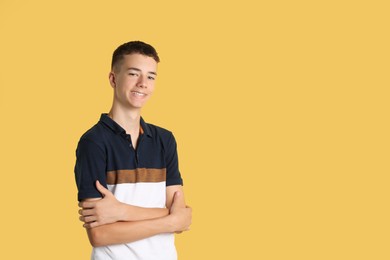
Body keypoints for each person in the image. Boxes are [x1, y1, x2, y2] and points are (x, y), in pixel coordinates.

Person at [74, 41, 192, 260]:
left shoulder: (165, 140)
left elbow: (183, 218)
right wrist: (170, 219)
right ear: (113, 79)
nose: (142, 83)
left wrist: (121, 212)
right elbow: (100, 234)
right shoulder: (93, 142)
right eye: (133, 74)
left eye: (150, 76)